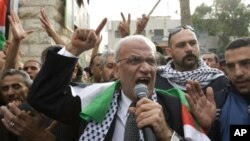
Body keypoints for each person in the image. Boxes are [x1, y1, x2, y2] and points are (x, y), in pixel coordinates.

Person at [27, 18, 215, 140]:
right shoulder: (92, 100)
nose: (145, 68)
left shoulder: (176, 104)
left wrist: (166, 133)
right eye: (134, 60)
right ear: (116, 70)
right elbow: (43, 96)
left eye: (151, 61)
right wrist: (73, 49)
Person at [156, 25, 228, 93]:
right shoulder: (157, 81)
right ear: (169, 52)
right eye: (181, 45)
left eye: (193, 43)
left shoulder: (218, 80)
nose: (189, 49)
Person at [209, 37, 250, 141]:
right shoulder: (217, 104)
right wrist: (207, 129)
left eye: (245, 63)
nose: (238, 73)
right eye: (231, 66)